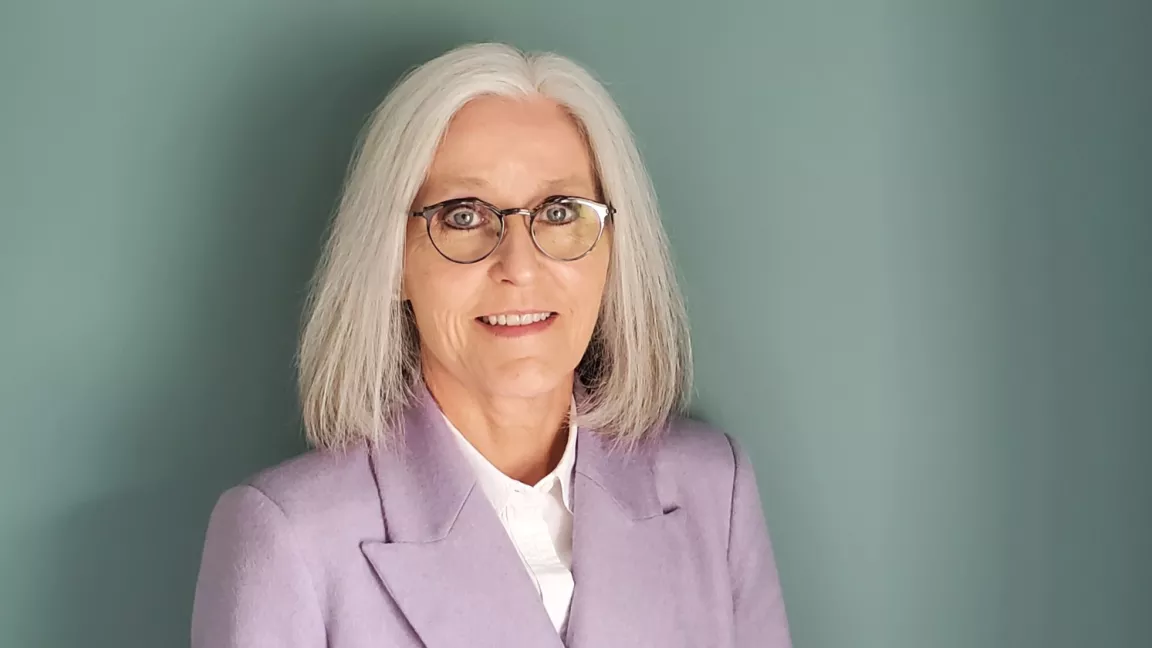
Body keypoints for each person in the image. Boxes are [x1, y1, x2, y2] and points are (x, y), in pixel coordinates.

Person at [191, 42, 791, 648]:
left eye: (559, 213)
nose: (519, 266)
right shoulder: (288, 538)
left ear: (612, 250)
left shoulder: (716, 492)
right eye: (462, 215)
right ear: (392, 260)